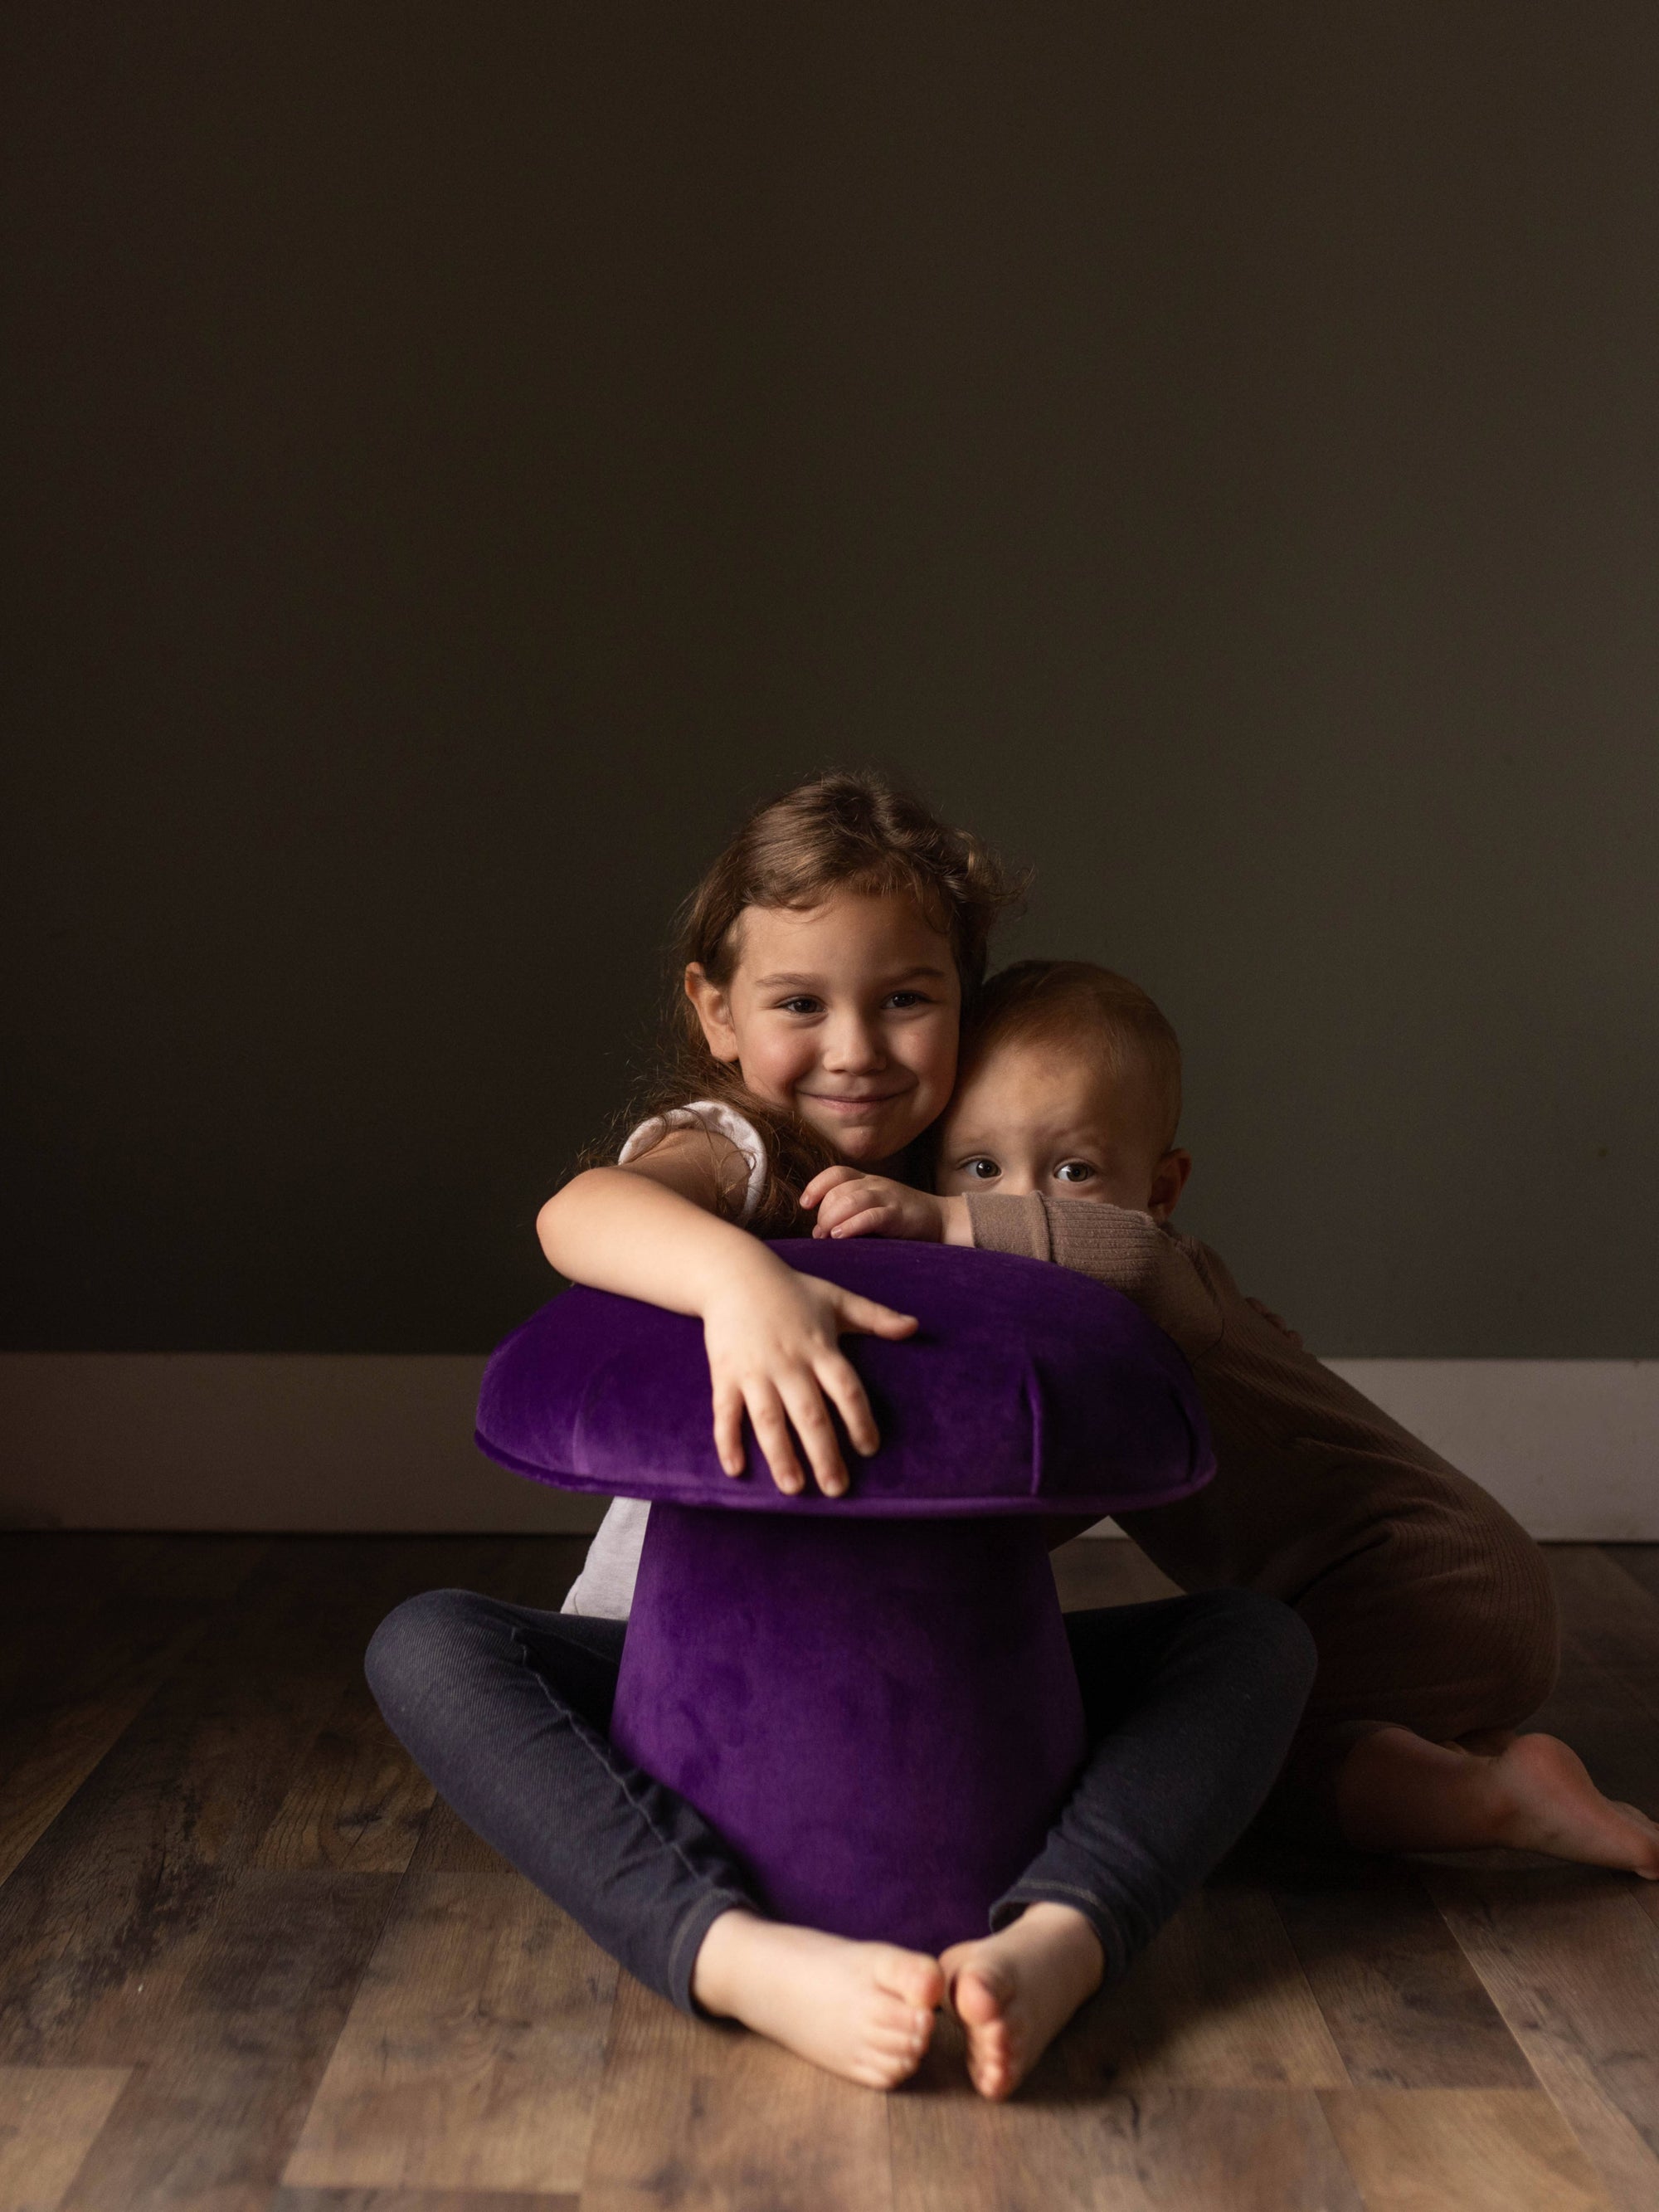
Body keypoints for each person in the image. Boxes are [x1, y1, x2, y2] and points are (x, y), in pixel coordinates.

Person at [367, 775, 1316, 2101]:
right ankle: (729, 1949)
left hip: (950, 1667)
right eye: (800, 1003)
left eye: (907, 999)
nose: (856, 1047)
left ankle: (1062, 1932)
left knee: (1254, 1642)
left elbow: (1134, 1283)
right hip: (666, 1665)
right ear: (715, 1012)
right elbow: (577, 1214)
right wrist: (740, 1280)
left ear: (964, 1005)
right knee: (427, 1643)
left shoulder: (967, 1173)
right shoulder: (742, 1150)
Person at [805, 957, 1659, 1878]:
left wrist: (941, 1218)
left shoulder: (1156, 1276)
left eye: (1073, 1169)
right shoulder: (1126, 1323)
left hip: (1424, 1577)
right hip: (1406, 1594)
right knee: (1267, 1734)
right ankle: (1461, 1758)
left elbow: (1124, 1258)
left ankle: (1487, 1797)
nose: (1014, 1202)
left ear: (1160, 1192)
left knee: (1202, 1760)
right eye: (978, 1166)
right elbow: (1052, 1497)